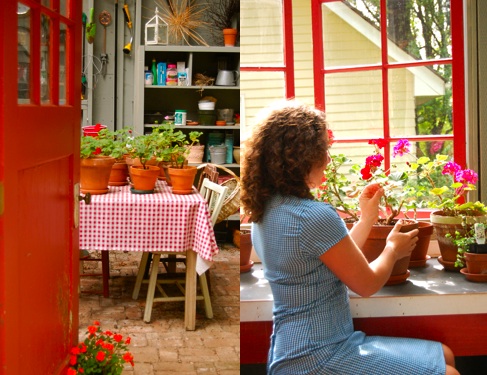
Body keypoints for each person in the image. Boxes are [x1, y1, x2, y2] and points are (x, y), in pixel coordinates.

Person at [241, 101, 459, 375]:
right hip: (317, 358)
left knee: (444, 355)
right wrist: (392, 249)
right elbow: (366, 284)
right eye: (323, 150)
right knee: (448, 372)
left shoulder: (268, 208)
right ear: (302, 156)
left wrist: (366, 218)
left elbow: (334, 258)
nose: (327, 159)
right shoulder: (313, 215)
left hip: (298, 350)